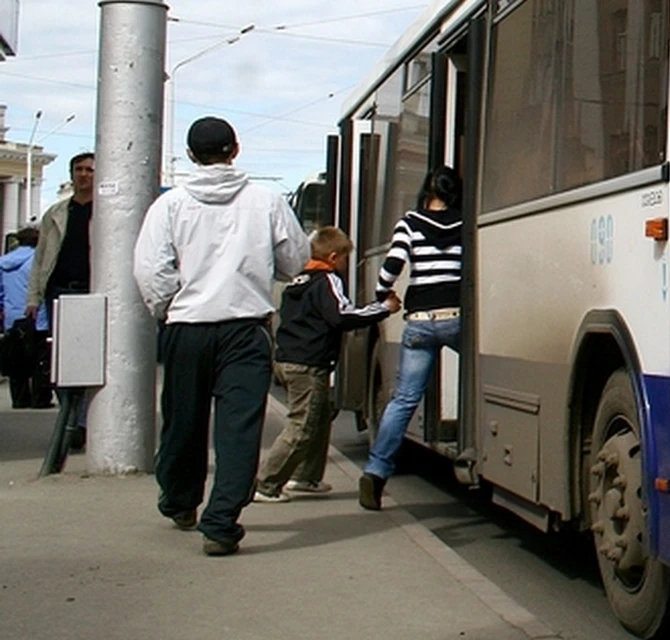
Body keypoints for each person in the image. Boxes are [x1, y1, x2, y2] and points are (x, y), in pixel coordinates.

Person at [133, 116, 310, 556]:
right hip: (245, 330)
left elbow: (150, 270)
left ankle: (179, 500)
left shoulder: (169, 206)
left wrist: (169, 306)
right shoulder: (266, 201)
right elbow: (294, 259)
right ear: (235, 150)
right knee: (239, 428)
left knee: (183, 421)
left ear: (192, 156)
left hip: (187, 328)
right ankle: (222, 521)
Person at [254, 226, 400, 503]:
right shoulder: (327, 280)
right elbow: (341, 316)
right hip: (308, 364)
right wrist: (383, 309)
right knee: (303, 425)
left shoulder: (298, 281)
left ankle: (306, 476)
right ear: (334, 257)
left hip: (288, 359)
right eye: (345, 259)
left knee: (320, 418)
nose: (345, 265)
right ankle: (267, 483)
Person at [359, 165, 464, 511]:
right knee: (483, 377)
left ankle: (375, 473)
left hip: (419, 321)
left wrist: (382, 294)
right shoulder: (465, 223)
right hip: (456, 318)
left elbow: (392, 264)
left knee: (404, 399)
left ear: (427, 192)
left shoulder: (410, 222)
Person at [25, 152, 95, 447]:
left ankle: (80, 422)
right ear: (71, 174)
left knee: (90, 361)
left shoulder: (106, 212)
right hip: (60, 292)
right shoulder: (56, 213)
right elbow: (41, 259)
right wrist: (34, 297)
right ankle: (69, 417)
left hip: (92, 293)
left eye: (90, 170)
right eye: (78, 169)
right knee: (61, 363)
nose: (84, 175)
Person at [0, 227, 53, 408]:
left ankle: (19, 399)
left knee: (16, 358)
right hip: (38, 317)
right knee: (40, 358)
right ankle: (40, 398)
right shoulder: (38, 262)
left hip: (12, 317)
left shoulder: (3, 262)